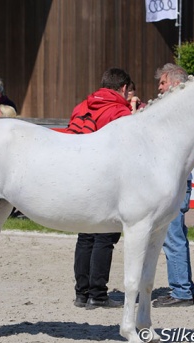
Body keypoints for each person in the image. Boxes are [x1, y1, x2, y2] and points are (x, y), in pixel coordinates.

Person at [73, 67, 134, 309]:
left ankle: (81, 293)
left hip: (80, 176)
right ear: (124, 88)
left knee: (85, 235)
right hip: (106, 180)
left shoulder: (82, 106)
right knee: (105, 236)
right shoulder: (119, 111)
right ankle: (98, 295)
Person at [151, 63, 194, 308]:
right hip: (178, 177)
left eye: (163, 83)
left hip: (176, 178)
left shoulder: (180, 111)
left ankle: (181, 292)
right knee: (174, 235)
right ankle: (182, 288)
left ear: (176, 84)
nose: (159, 88)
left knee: (173, 236)